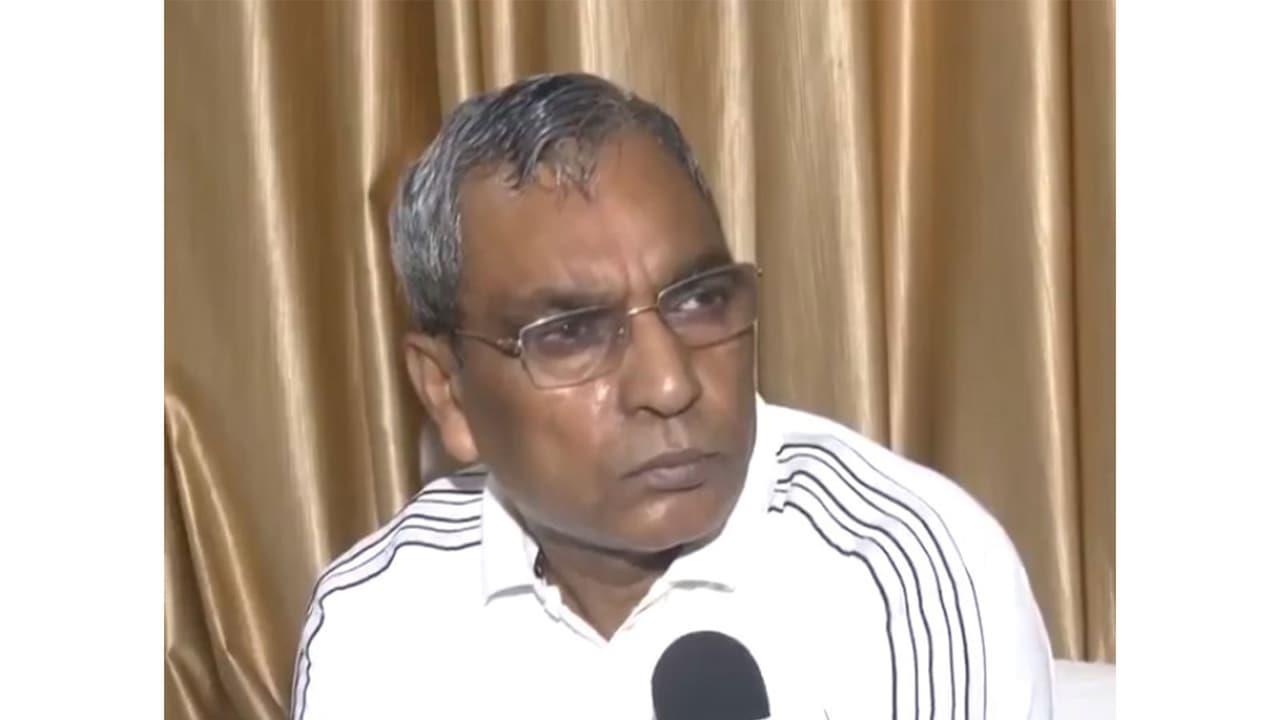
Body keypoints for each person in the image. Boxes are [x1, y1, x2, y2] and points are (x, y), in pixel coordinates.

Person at [289, 72, 1053, 719]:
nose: (670, 383)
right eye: (571, 333)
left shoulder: (899, 572)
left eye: (698, 299)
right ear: (449, 394)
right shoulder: (379, 620)